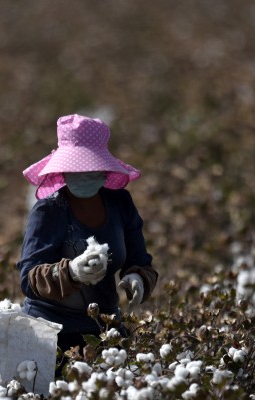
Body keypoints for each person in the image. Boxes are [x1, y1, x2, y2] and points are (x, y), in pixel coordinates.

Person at [18, 114, 158, 360]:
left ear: (104, 170)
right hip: (52, 332)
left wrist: (138, 277)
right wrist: (71, 272)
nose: (82, 174)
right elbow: (29, 280)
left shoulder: (120, 204)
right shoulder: (50, 211)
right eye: (75, 169)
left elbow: (140, 259)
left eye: (89, 169)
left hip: (105, 329)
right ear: (63, 171)